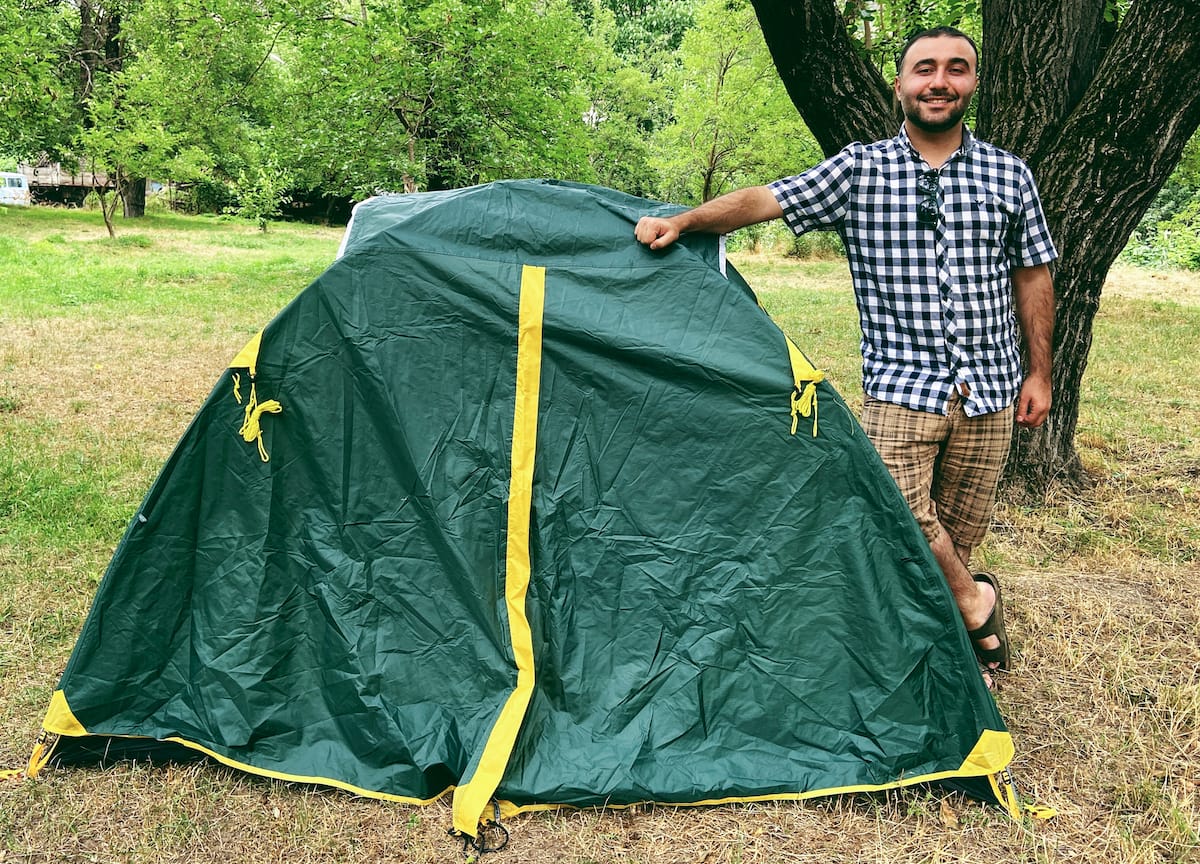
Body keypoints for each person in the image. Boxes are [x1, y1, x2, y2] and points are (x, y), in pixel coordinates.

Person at [634, 26, 1056, 688]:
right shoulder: (860, 169)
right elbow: (765, 200)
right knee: (904, 520)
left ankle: (945, 637)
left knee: (959, 534)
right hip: (900, 389)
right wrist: (685, 222)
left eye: (956, 69)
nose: (939, 81)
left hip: (993, 389)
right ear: (901, 84)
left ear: (974, 82)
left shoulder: (1010, 175)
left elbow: (1033, 276)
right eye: (924, 69)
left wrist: (1039, 373)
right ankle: (976, 603)